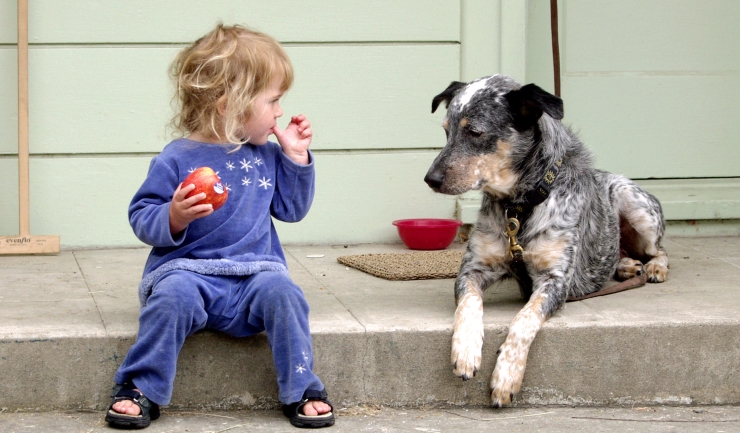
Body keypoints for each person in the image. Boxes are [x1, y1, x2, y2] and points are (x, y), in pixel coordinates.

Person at [104, 23, 334, 429]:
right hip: (189, 276)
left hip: (253, 279)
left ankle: (302, 386)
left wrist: (296, 159)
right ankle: (141, 387)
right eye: (273, 101)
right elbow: (141, 215)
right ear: (229, 104)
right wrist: (173, 216)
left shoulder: (266, 154)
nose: (280, 112)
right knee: (170, 298)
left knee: (286, 295)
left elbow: (292, 209)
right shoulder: (176, 158)